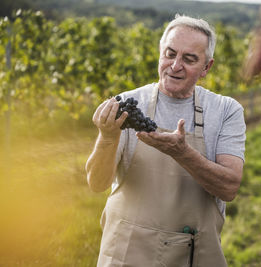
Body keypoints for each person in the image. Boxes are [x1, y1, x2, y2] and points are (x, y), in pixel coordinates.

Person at [85, 14, 246, 267]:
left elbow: (229, 187)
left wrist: (182, 153)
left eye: (189, 59)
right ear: (160, 53)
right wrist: (107, 138)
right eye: (170, 54)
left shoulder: (226, 111)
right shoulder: (127, 104)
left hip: (193, 254)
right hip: (126, 253)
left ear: (207, 67)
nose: (175, 65)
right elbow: (96, 183)